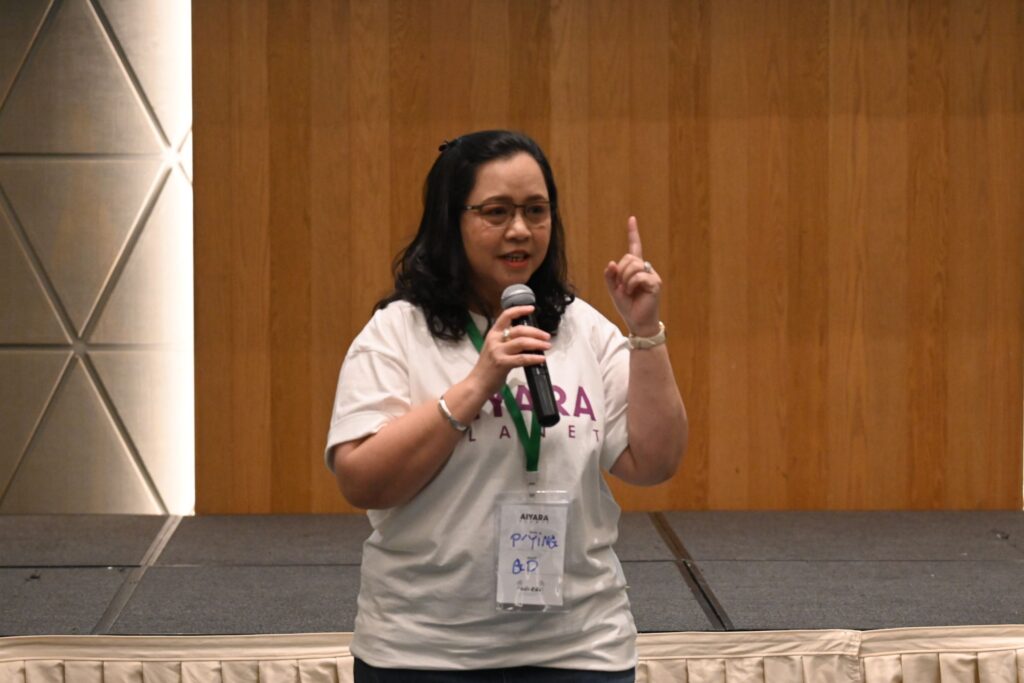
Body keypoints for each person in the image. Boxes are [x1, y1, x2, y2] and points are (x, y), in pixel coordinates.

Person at [326, 130, 687, 682]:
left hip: (580, 649)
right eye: (496, 212)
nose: (520, 230)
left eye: (535, 211)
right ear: (451, 220)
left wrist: (644, 331)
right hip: (423, 652)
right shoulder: (397, 333)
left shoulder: (583, 329)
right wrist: (478, 383)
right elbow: (361, 482)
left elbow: (654, 462)